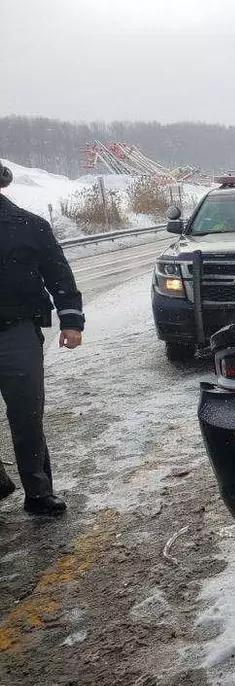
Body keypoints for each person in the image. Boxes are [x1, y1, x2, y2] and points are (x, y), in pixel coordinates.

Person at [0, 160, 84, 516]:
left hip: (15, 332)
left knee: (27, 415)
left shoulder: (28, 226)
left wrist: (71, 321)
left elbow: (58, 274)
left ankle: (38, 492)